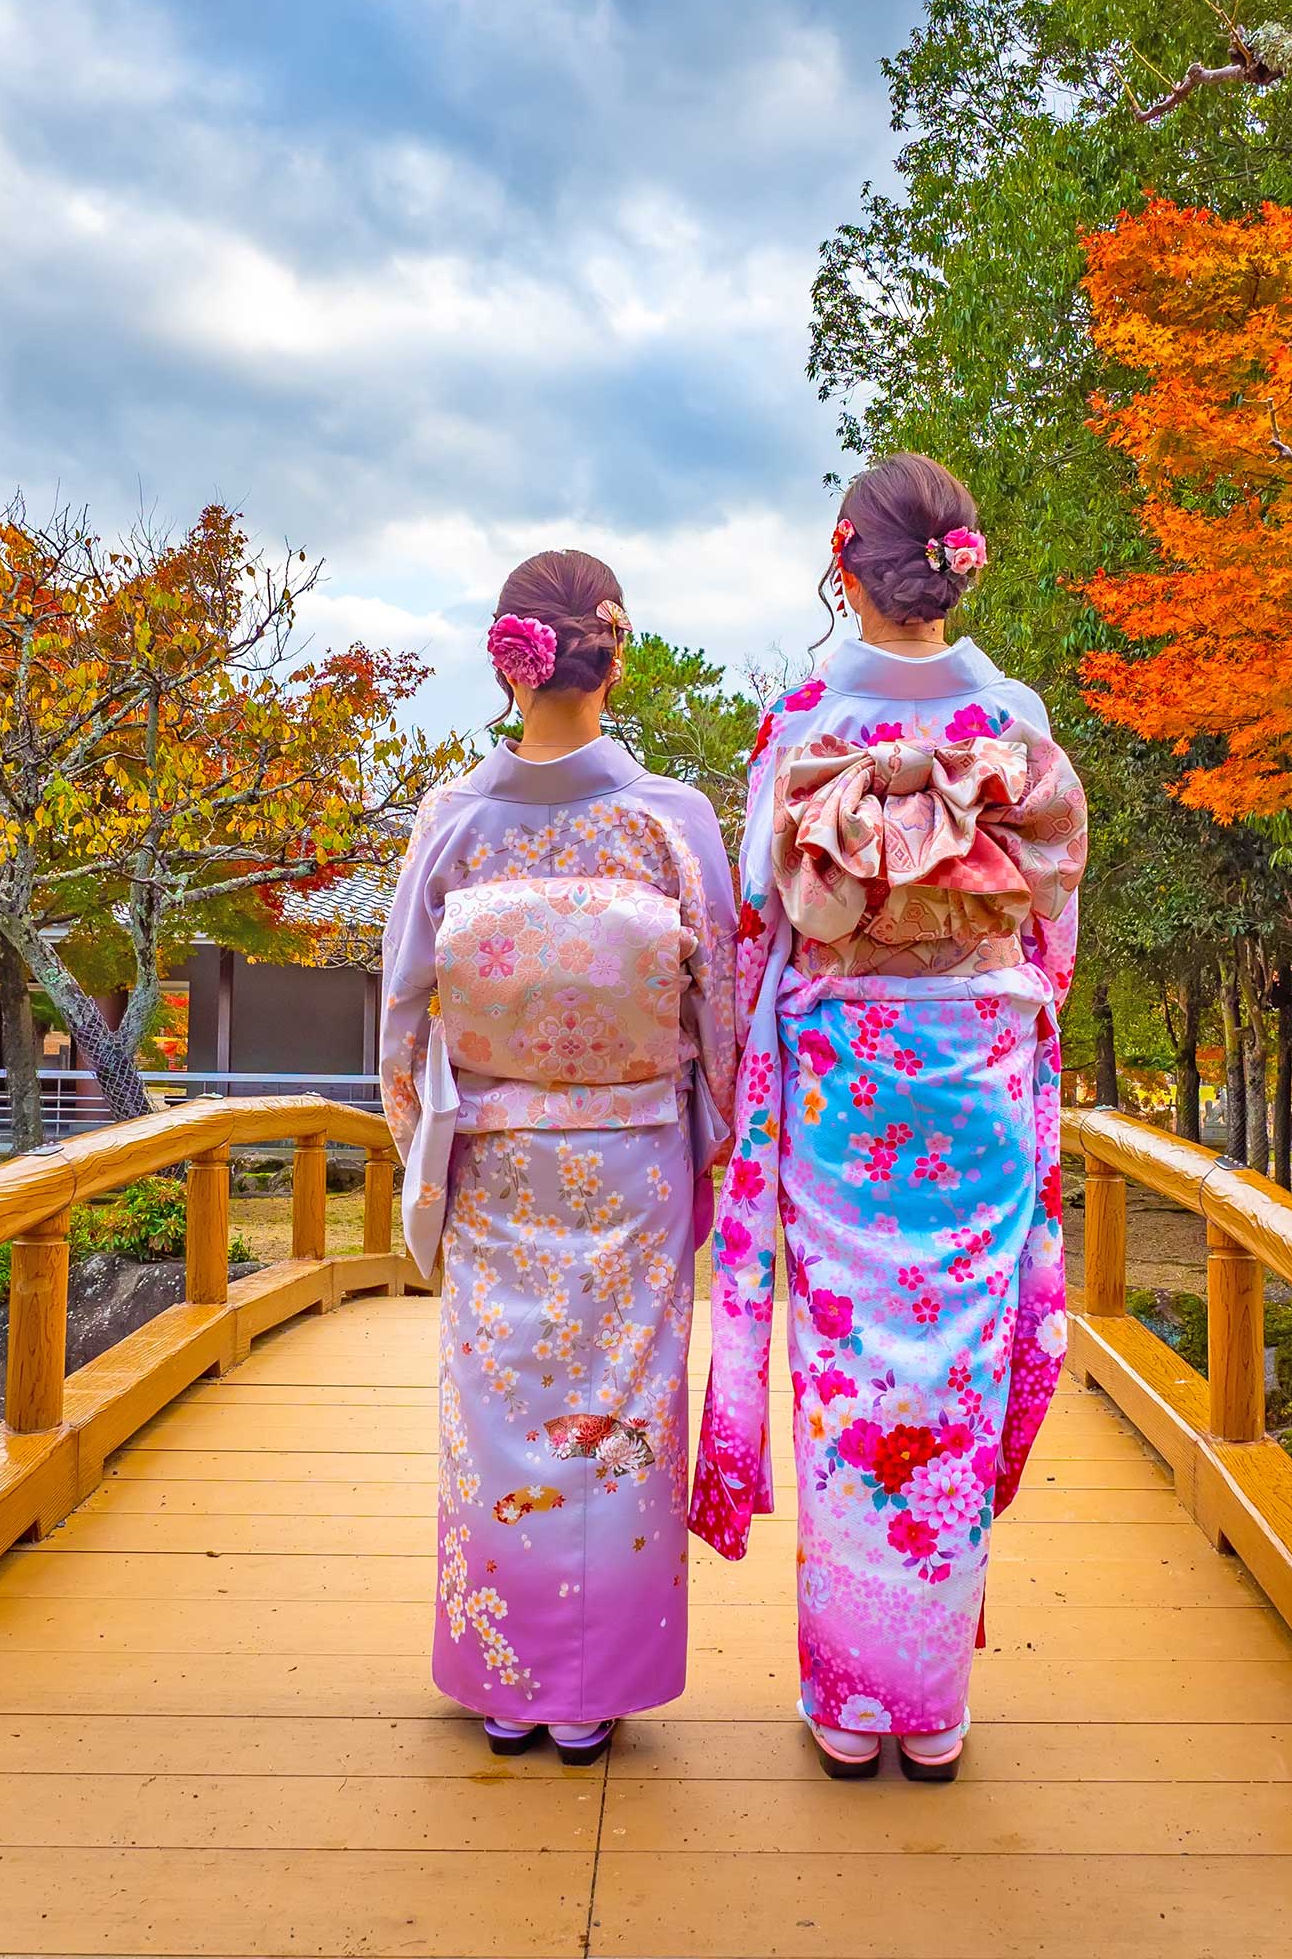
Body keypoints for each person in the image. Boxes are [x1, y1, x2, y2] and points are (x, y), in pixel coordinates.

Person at [687, 453, 1088, 1780]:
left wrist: (757, 1050)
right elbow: (1054, 923)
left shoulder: (803, 710)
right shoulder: (1012, 710)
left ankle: (852, 1703)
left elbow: (758, 917)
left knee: (850, 1375)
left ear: (843, 558)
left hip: (843, 1077)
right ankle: (935, 1709)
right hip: (974, 1069)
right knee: (956, 1372)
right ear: (955, 562)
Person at [377, 550, 738, 1766]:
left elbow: (402, 1013)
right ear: (613, 654)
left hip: (497, 1152)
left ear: (507, 659)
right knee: (624, 1405)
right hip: (633, 1154)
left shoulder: (453, 823)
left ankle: (507, 1675)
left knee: (501, 1405)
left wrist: (426, 1141)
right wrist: (713, 1141)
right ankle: (597, 1682)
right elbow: (719, 1017)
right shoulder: (670, 823)